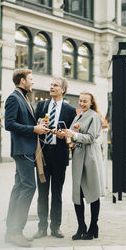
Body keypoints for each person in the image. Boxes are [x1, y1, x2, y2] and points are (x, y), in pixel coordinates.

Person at [4, 69, 49, 247]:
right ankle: (16, 231)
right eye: (31, 79)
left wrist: (37, 125)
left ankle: (11, 231)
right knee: (29, 187)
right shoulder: (14, 98)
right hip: (23, 150)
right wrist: (33, 129)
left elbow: (22, 122)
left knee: (19, 187)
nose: (33, 82)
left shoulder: (24, 98)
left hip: (26, 149)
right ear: (22, 81)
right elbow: (9, 124)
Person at [32, 77, 77, 239]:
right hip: (42, 156)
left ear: (63, 90)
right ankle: (41, 228)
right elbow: (34, 126)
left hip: (59, 155)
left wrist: (64, 135)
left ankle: (55, 227)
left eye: (55, 85)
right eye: (51, 85)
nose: (52, 87)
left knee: (57, 193)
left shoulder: (70, 110)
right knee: (42, 193)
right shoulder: (41, 105)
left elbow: (72, 135)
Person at [64, 92, 105, 240]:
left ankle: (93, 226)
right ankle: (81, 226)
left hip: (90, 157)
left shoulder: (94, 116)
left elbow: (92, 137)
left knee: (93, 191)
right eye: (80, 101)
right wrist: (71, 132)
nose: (81, 103)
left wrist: (74, 135)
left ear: (91, 102)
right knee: (77, 193)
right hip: (78, 156)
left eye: (84, 101)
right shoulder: (78, 116)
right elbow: (73, 136)